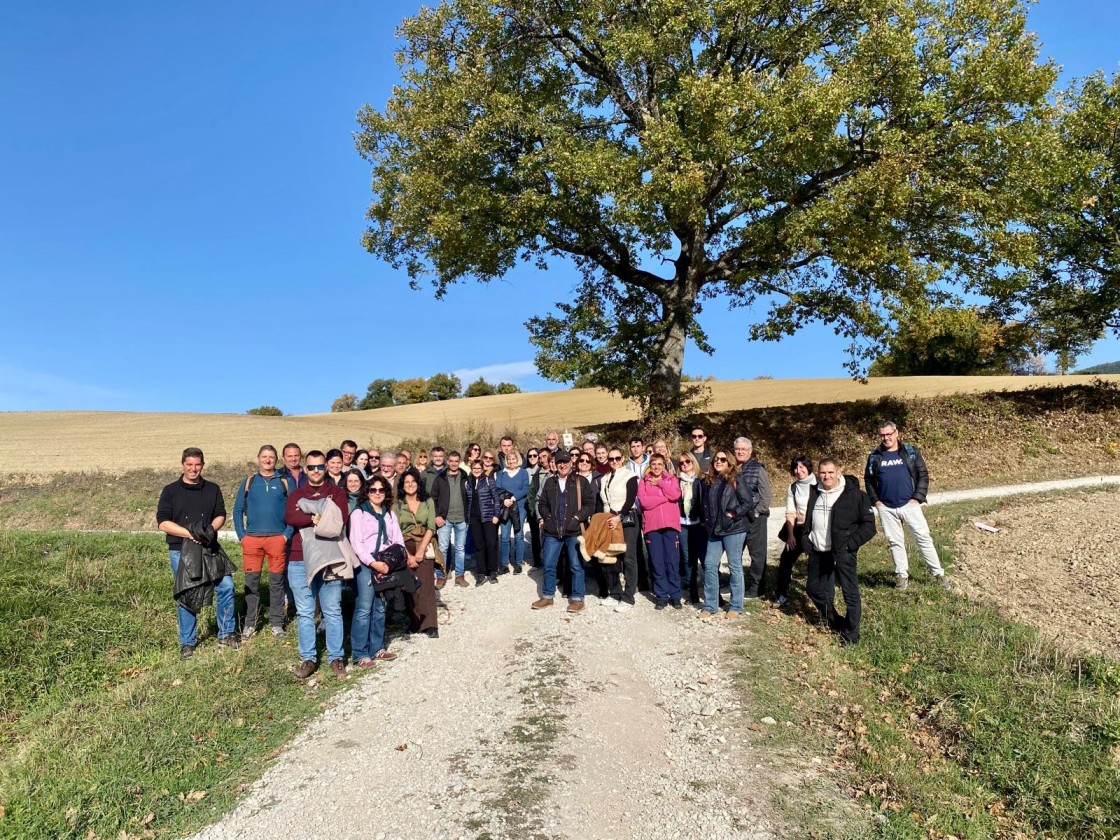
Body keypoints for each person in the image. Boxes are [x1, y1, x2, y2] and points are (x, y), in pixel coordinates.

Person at [157, 447, 237, 659]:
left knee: (227, 586)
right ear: (182, 464)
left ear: (203, 465)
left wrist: (210, 529)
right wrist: (189, 533)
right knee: (188, 593)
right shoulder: (170, 491)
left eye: (197, 465)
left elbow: (221, 514)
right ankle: (187, 643)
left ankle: (226, 633)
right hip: (181, 550)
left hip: (209, 548)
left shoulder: (212, 489)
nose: (194, 469)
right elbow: (163, 523)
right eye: (189, 464)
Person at [285, 450, 352, 679]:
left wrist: (309, 513)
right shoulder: (295, 494)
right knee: (304, 612)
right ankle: (308, 658)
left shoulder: (337, 493)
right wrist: (319, 516)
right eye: (311, 467)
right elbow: (291, 518)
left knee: (332, 610)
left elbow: (338, 519)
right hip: (298, 558)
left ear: (326, 468)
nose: (316, 471)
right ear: (305, 469)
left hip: (329, 558)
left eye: (320, 467)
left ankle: (336, 657)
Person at [865, 421, 950, 591]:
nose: (886, 438)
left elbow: (923, 475)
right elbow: (868, 479)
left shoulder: (910, 452)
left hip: (910, 505)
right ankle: (902, 576)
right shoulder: (875, 456)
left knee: (924, 538)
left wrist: (917, 498)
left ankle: (938, 574)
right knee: (895, 541)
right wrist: (876, 502)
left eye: (889, 434)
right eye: (882, 435)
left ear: (896, 433)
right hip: (886, 508)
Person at [803, 459, 876, 646]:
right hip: (818, 551)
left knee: (849, 594)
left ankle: (852, 635)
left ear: (839, 472)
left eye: (830, 472)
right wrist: (806, 540)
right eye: (822, 473)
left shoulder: (856, 496)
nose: (826, 476)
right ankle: (837, 622)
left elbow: (869, 527)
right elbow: (808, 519)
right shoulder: (815, 491)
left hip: (843, 552)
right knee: (813, 589)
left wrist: (849, 545)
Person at [232, 445, 292, 639]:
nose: (267, 460)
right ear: (258, 458)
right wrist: (242, 535)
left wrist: (286, 534)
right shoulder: (249, 481)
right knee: (252, 583)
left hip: (277, 539)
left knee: (277, 583)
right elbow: (237, 510)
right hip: (252, 540)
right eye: (264, 457)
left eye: (271, 457)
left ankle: (277, 623)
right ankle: (250, 623)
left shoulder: (285, 481)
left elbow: (294, 510)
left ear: (276, 460)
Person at [348, 474, 404, 667]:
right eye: (373, 490)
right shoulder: (359, 513)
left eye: (381, 490)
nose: (377, 493)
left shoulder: (389, 513)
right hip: (366, 564)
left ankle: (377, 648)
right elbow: (356, 542)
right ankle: (360, 653)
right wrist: (373, 563)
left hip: (386, 562)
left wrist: (390, 563)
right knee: (364, 607)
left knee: (380, 607)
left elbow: (397, 540)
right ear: (367, 492)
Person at [533, 450, 594, 612]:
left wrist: (577, 518)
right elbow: (542, 504)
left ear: (571, 464)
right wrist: (547, 518)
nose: (562, 465)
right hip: (553, 531)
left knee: (576, 565)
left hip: (574, 531)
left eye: (565, 462)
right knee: (549, 564)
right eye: (559, 462)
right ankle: (547, 596)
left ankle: (578, 598)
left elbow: (590, 504)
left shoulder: (581, 482)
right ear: (556, 464)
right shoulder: (549, 482)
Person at [699, 450, 750, 620]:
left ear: (729, 462)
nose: (718, 462)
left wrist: (733, 514)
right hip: (715, 530)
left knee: (734, 565)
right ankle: (711, 605)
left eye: (722, 459)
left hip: (733, 529)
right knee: (709, 564)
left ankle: (736, 606)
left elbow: (748, 502)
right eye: (716, 459)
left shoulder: (736, 478)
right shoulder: (709, 481)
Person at [395, 472, 440, 638]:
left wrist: (421, 550)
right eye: (406, 482)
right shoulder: (398, 505)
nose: (410, 484)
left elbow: (431, 527)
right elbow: (396, 531)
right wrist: (407, 555)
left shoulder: (427, 501)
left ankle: (430, 624)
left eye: (413, 481)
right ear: (402, 485)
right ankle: (415, 622)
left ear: (418, 483)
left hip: (424, 542)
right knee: (409, 586)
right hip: (404, 544)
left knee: (427, 584)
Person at [638, 454, 683, 609]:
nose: (656, 467)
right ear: (650, 465)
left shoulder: (671, 479)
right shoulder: (643, 481)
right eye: (653, 464)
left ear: (664, 465)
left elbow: (676, 495)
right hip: (652, 527)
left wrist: (661, 484)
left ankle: (676, 595)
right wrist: (665, 498)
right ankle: (661, 595)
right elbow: (645, 502)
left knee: (672, 562)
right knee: (657, 563)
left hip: (670, 526)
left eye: (659, 464)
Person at [599, 447, 640, 613]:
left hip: (626, 519)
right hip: (609, 520)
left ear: (622, 458)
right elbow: (604, 501)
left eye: (617, 458)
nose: (614, 461)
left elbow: (630, 499)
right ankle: (615, 591)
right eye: (611, 459)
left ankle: (629, 596)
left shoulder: (629, 476)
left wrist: (619, 517)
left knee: (629, 558)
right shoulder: (605, 478)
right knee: (610, 557)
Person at [775, 455, 816, 608]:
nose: (798, 471)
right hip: (798, 529)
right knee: (786, 559)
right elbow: (790, 512)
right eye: (795, 468)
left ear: (808, 467)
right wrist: (790, 535)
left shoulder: (819, 483)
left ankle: (816, 595)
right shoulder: (793, 487)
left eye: (801, 467)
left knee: (816, 561)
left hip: (815, 529)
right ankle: (781, 594)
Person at [734, 437, 771, 599]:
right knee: (735, 552)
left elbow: (766, 495)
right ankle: (737, 584)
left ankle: (757, 588)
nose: (740, 452)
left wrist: (756, 512)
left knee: (757, 554)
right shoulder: (732, 468)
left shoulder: (758, 469)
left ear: (750, 451)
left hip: (755, 518)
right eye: (737, 449)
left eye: (744, 449)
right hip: (737, 518)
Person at [432, 451, 470, 586]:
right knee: (442, 548)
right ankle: (441, 576)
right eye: (451, 461)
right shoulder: (440, 478)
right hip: (444, 519)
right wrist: (436, 515)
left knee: (460, 548)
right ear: (447, 462)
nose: (454, 463)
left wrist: (468, 516)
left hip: (461, 518)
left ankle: (459, 575)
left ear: (459, 462)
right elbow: (433, 499)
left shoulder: (465, 477)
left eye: (456, 461)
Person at [677, 451, 706, 605]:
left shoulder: (701, 480)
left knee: (705, 560)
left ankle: (713, 595)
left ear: (693, 461)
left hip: (699, 525)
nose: (685, 465)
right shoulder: (677, 481)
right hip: (683, 525)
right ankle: (692, 593)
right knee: (688, 560)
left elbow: (705, 502)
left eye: (687, 461)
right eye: (681, 463)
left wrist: (705, 520)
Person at [466, 458, 501, 584]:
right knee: (479, 545)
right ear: (471, 469)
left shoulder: (488, 480)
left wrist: (497, 514)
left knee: (491, 544)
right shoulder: (468, 482)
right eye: (474, 468)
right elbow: (468, 501)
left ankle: (492, 571)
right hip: (474, 518)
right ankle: (480, 572)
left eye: (478, 469)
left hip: (488, 516)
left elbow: (496, 498)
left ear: (482, 469)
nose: (476, 470)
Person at [496, 450, 530, 573]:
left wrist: (513, 498)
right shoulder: (501, 473)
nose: (511, 461)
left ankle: (518, 562)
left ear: (518, 460)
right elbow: (497, 488)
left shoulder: (523, 473)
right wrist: (504, 500)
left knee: (518, 535)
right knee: (505, 536)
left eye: (513, 459)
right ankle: (504, 564)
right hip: (505, 507)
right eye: (509, 459)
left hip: (519, 507)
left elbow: (526, 488)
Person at [527, 448, 549, 567]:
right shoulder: (537, 475)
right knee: (536, 537)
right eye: (540, 457)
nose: (542, 459)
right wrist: (533, 510)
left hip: (550, 513)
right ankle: (537, 561)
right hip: (537, 511)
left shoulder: (556, 473)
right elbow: (531, 494)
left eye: (544, 456)